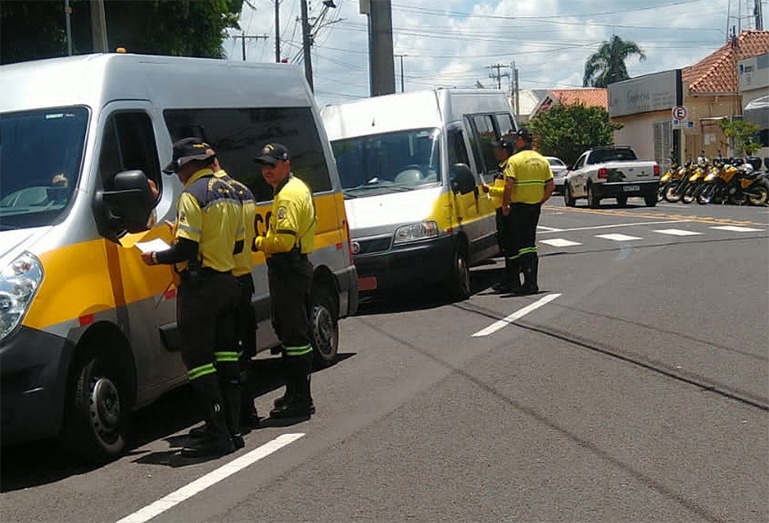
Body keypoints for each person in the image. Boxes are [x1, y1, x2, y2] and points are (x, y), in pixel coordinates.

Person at [140, 137, 243, 458]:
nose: (178, 177)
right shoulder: (231, 192)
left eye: (178, 170)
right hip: (228, 281)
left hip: (200, 288)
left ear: (187, 166)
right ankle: (233, 429)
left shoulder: (192, 197)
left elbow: (185, 248)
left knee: (199, 362)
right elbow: (238, 244)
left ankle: (217, 435)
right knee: (227, 357)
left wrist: (156, 258)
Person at [253, 143, 317, 419]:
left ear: (286, 163)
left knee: (294, 336)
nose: (267, 170)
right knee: (290, 332)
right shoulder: (294, 188)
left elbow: (283, 241)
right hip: (293, 268)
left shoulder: (288, 196)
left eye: (273, 164)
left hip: (289, 268)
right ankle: (294, 393)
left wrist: (257, 242)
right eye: (264, 165)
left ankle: (301, 398)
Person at [497, 128, 554, 295]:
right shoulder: (542, 160)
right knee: (529, 244)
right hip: (533, 208)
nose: (515, 142)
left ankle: (525, 283)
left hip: (518, 208)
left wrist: (506, 205)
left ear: (521, 141)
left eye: (517, 139)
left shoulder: (514, 161)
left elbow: (509, 185)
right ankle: (530, 282)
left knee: (519, 245)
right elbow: (550, 185)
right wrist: (540, 200)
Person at [483, 135, 517, 292]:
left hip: (506, 211)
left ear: (505, 151)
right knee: (505, 246)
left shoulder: (508, 167)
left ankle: (512, 279)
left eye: (498, 149)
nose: (495, 151)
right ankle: (510, 278)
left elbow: (507, 189)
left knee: (509, 246)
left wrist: (490, 190)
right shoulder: (502, 166)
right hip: (500, 210)